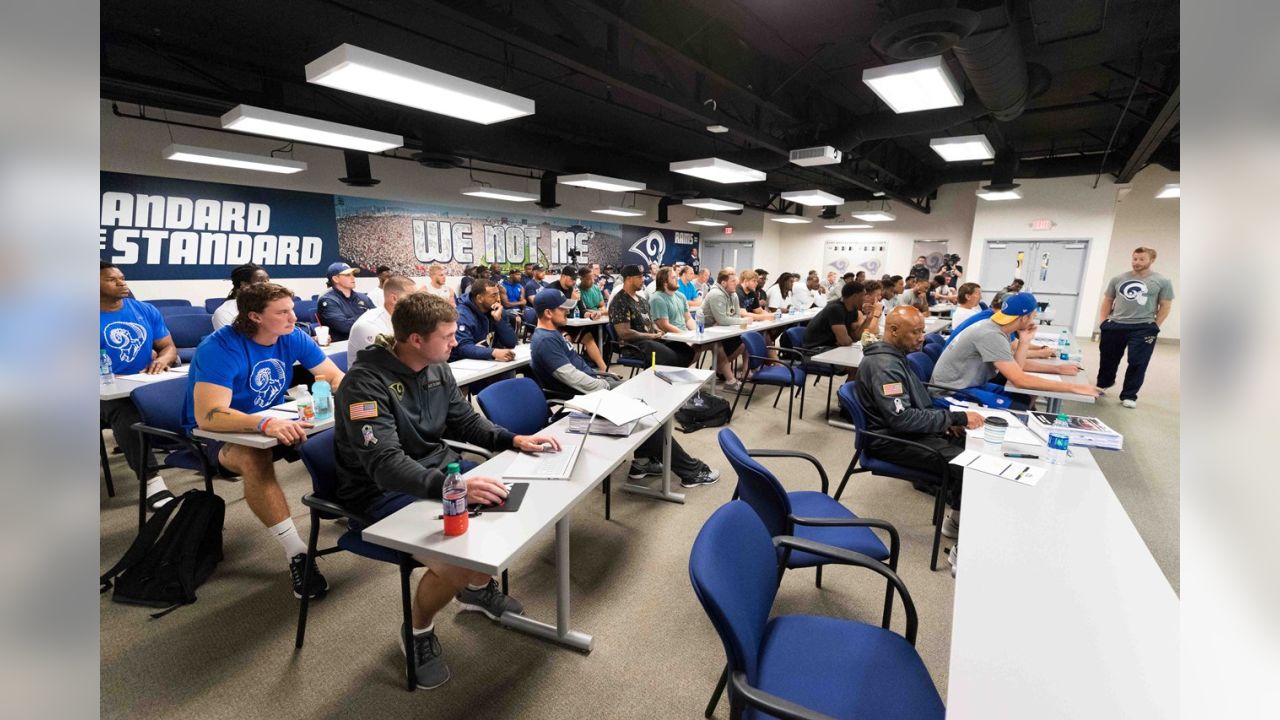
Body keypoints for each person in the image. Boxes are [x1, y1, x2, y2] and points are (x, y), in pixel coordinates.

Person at [335, 292, 561, 689]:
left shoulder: (437, 367)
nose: (456, 341)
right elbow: (385, 466)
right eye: (448, 335)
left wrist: (513, 440)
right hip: (378, 491)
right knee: (457, 556)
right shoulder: (364, 385)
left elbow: (465, 424)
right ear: (416, 340)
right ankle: (418, 630)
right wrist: (455, 487)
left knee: (509, 507)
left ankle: (474, 590)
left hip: (440, 474)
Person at [184, 282, 346, 599]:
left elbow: (335, 376)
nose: (292, 316)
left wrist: (357, 398)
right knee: (253, 458)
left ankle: (349, 505)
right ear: (256, 316)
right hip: (219, 433)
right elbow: (210, 416)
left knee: (349, 432)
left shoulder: (292, 334)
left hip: (273, 418)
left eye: (291, 308)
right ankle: (297, 552)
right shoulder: (219, 347)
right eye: (282, 312)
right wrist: (265, 423)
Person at [528, 288, 721, 489]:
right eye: (562, 309)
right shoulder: (545, 341)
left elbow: (579, 372)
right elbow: (572, 378)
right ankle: (690, 471)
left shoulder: (552, 334)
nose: (567, 312)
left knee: (649, 401)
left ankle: (643, 462)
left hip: (592, 388)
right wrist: (604, 385)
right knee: (646, 417)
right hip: (585, 399)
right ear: (548, 313)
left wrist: (605, 377)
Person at [855, 306, 985, 572]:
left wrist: (946, 421)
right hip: (889, 441)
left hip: (903, 433)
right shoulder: (885, 367)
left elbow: (914, 405)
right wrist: (954, 419)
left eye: (922, 331)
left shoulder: (896, 357)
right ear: (893, 331)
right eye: (915, 331)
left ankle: (956, 520)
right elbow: (901, 419)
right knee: (970, 464)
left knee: (975, 448)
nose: (921, 337)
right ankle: (965, 544)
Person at [100, 261, 179, 509]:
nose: (122, 282)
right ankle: (152, 482)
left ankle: (220, 457)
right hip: (103, 395)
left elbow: (168, 347)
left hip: (144, 383)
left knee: (192, 392)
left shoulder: (144, 310)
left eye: (122, 277)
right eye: (112, 280)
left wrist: (164, 359)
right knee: (127, 414)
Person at [931, 292, 1100, 401]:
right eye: (1034, 315)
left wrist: (1025, 341)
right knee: (1018, 406)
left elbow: (1016, 371)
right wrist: (1075, 387)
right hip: (950, 392)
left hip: (967, 385)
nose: (1034, 319)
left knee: (1025, 397)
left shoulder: (996, 326)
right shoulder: (991, 334)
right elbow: (1019, 380)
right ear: (1025, 317)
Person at [1096, 247, 1175, 408]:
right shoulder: (1118, 279)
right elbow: (1108, 300)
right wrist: (1103, 322)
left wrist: (1155, 326)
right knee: (1108, 358)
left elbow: (1165, 305)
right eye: (1134, 259)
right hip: (1116, 324)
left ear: (1151, 260)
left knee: (1138, 362)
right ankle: (1103, 384)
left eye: (1141, 259)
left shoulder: (1162, 281)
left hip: (1143, 327)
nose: (1136, 262)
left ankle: (1129, 395)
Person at [609, 264, 695, 367]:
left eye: (643, 276)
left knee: (687, 351)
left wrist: (657, 330)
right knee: (671, 357)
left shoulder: (642, 300)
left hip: (651, 340)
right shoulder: (620, 301)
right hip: (634, 345)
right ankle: (664, 378)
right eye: (639, 277)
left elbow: (650, 322)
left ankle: (669, 377)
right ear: (629, 279)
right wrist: (651, 336)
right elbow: (624, 333)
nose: (643, 280)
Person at [545, 265, 609, 372]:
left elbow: (582, 310)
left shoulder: (574, 289)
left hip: (570, 324)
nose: (574, 282)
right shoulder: (552, 290)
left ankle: (604, 369)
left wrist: (591, 315)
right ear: (564, 276)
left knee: (588, 336)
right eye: (572, 279)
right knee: (566, 338)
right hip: (554, 325)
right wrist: (572, 300)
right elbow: (557, 314)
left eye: (576, 279)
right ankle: (569, 370)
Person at [347, 275, 418, 366]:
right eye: (411, 297)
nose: (417, 302)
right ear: (394, 299)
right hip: (372, 377)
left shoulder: (407, 320)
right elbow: (389, 365)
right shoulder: (368, 325)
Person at [702, 269, 752, 388]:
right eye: (733, 281)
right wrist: (742, 321)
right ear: (723, 283)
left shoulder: (733, 294)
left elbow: (735, 315)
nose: (736, 283)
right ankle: (730, 380)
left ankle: (721, 369)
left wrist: (731, 320)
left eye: (736, 281)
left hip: (724, 330)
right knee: (717, 344)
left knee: (745, 342)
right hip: (707, 331)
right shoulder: (716, 294)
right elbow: (723, 320)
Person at [452, 279, 517, 363]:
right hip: (464, 364)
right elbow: (463, 347)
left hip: (486, 360)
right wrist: (493, 352)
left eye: (498, 295)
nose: (498, 299)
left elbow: (511, 343)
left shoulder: (497, 310)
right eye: (494, 296)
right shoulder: (461, 315)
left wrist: (499, 321)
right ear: (479, 298)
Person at [801, 281, 864, 367]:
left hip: (830, 348)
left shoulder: (852, 310)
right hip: (814, 352)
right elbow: (845, 341)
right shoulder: (835, 309)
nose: (864, 298)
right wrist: (846, 339)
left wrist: (869, 319)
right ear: (855, 297)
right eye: (863, 295)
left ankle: (851, 380)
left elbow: (856, 337)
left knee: (860, 362)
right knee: (854, 366)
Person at [317, 262, 376, 341]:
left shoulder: (363, 297)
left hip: (367, 342)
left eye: (353, 274)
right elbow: (344, 327)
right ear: (336, 279)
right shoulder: (328, 301)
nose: (353, 278)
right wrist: (367, 316)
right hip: (342, 346)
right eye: (348, 275)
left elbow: (378, 319)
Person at [212, 263, 270, 330]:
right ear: (244, 285)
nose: (268, 285)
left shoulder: (270, 306)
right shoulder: (225, 312)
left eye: (267, 280)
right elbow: (231, 340)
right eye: (261, 281)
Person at [648, 267, 692, 334]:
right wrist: (685, 335)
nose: (677, 279)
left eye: (676, 277)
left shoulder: (681, 296)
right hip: (671, 339)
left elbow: (689, 319)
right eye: (673, 277)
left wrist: (696, 333)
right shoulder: (657, 299)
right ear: (665, 282)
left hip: (684, 335)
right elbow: (665, 326)